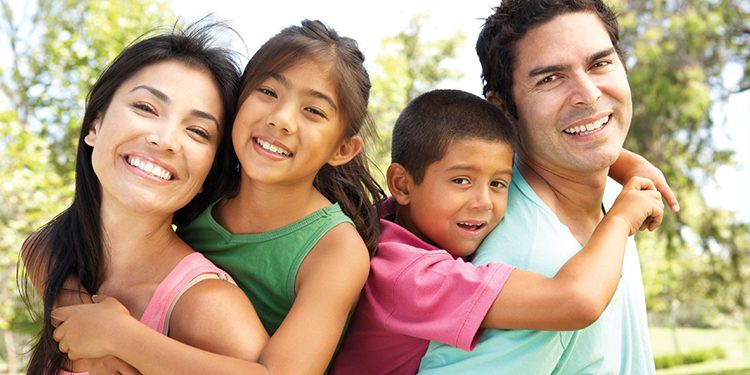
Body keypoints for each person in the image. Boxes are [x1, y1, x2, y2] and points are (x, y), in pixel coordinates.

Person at [48, 19, 386, 374]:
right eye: (268, 92)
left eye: (313, 111)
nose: (281, 119)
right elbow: (54, 241)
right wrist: (73, 302)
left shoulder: (335, 249)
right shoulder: (203, 193)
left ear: (343, 149)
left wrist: (120, 339)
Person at [330, 88, 665, 374]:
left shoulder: (396, 219)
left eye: (498, 183)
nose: (483, 202)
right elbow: (576, 301)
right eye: (461, 181)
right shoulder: (410, 276)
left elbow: (534, 149)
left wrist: (624, 162)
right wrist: (620, 220)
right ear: (402, 184)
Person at [419, 1, 668, 373]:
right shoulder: (529, 263)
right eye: (550, 78)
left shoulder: (617, 202)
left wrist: (625, 164)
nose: (588, 94)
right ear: (504, 109)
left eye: (600, 63)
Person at [19, 23, 270, 375]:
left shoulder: (204, 303)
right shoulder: (55, 252)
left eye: (197, 131)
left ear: (208, 175)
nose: (166, 139)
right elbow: (39, 247)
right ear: (95, 124)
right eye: (145, 107)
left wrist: (122, 341)